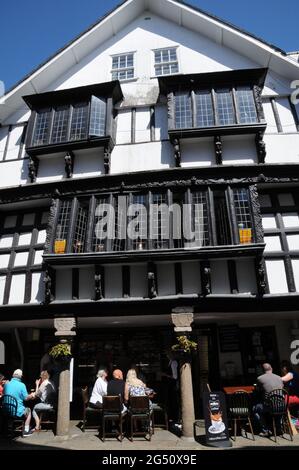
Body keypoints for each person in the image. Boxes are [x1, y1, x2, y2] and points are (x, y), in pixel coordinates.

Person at [253, 363, 284, 437]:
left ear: (263, 370)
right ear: (271, 368)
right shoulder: (279, 377)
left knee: (255, 408)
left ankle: (265, 430)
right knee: (277, 408)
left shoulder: (260, 378)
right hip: (282, 406)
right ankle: (278, 429)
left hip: (269, 406)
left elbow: (258, 390)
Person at [3, 369, 35, 436]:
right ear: (21, 376)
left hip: (6, 409)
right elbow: (26, 398)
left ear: (13, 375)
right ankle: (26, 431)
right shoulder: (22, 385)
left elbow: (4, 395)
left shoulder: (6, 384)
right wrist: (31, 395)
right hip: (17, 410)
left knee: (10, 412)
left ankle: (9, 429)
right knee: (28, 410)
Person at [161, 351, 179, 424]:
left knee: (174, 401)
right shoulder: (170, 362)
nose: (167, 356)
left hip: (173, 385)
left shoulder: (174, 363)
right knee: (171, 400)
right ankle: (173, 417)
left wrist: (165, 375)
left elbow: (175, 376)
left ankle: (175, 418)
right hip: (170, 385)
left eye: (168, 354)